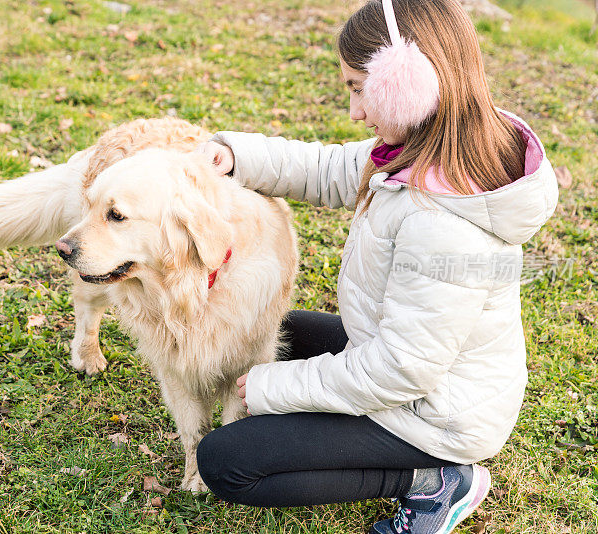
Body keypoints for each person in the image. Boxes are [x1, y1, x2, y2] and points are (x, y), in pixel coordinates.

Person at [195, 0, 559, 532]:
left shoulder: (443, 223)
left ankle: (433, 481)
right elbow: (334, 168)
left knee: (227, 462)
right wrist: (236, 156)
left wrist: (277, 387)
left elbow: (401, 369)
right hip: (407, 369)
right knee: (277, 333)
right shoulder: (428, 144)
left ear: (406, 83)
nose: (356, 112)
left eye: (358, 89)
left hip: (435, 416)